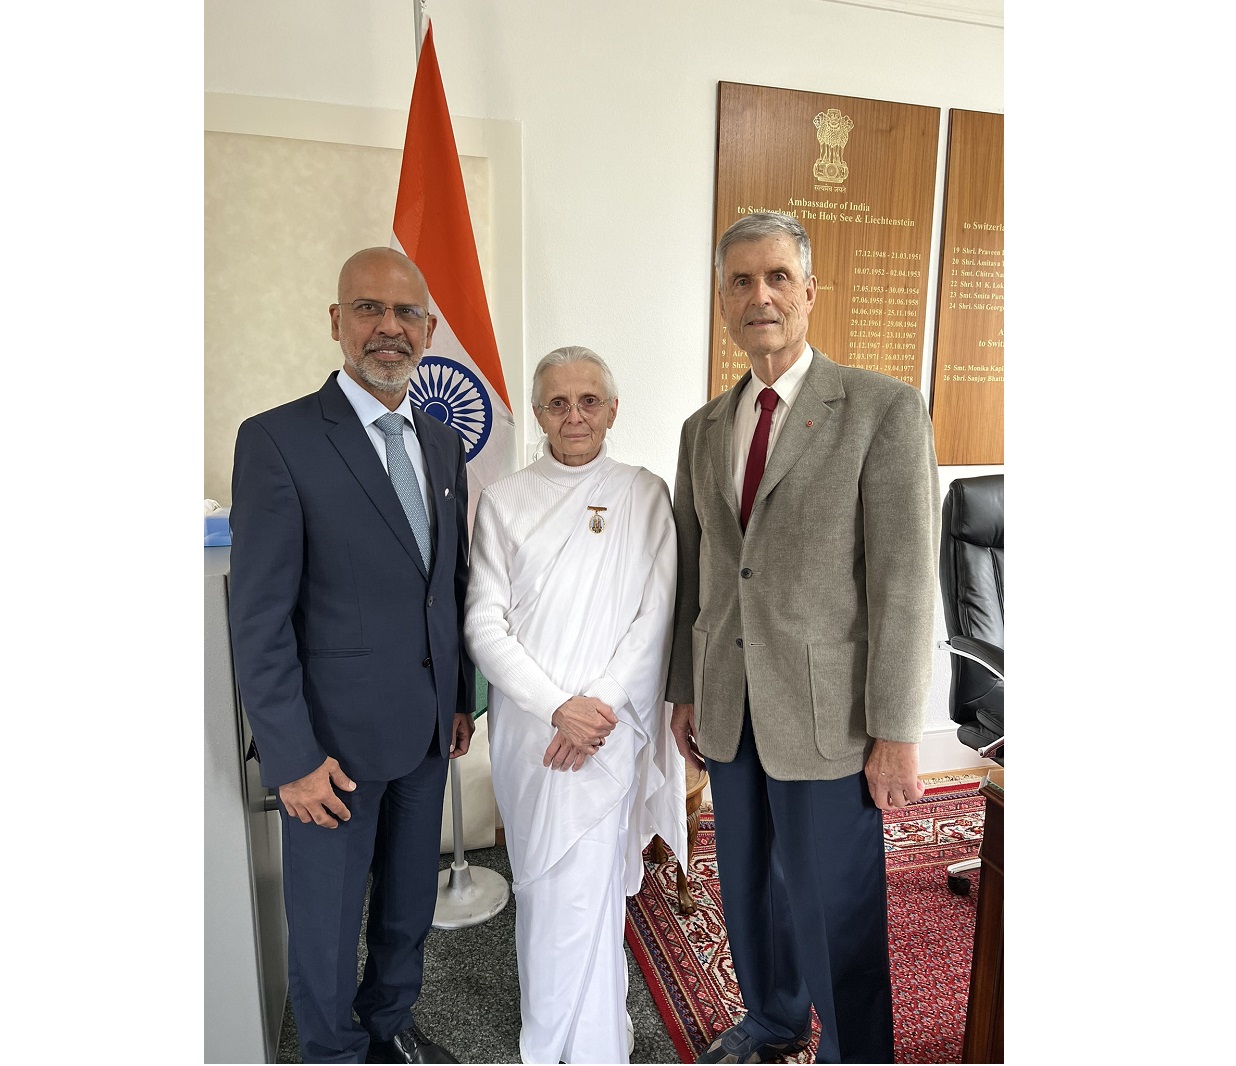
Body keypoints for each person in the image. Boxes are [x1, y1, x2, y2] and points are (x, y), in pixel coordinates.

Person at [667, 213, 940, 1064]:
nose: (761, 297)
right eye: (742, 282)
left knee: (834, 903)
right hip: (729, 704)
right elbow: (697, 570)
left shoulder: (882, 411)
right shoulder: (703, 429)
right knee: (747, 889)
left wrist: (897, 731)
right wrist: (685, 687)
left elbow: (904, 585)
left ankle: (855, 1053)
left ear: (810, 292)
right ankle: (773, 1020)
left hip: (831, 720)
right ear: (723, 302)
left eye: (778, 277)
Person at [228, 247, 475, 1064]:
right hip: (328, 750)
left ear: (429, 330)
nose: (389, 328)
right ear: (337, 323)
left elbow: (450, 582)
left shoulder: (441, 446)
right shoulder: (277, 441)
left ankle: (388, 1024)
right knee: (328, 924)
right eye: (369, 309)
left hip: (426, 733)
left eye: (407, 314)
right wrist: (292, 759)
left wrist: (462, 700)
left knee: (408, 905)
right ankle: (332, 1052)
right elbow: (259, 618)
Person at [464, 346, 686, 1065]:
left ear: (613, 410)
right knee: (544, 882)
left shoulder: (644, 494)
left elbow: (657, 614)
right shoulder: (504, 500)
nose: (575, 415)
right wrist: (559, 706)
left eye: (589, 401)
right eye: (558, 404)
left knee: (592, 891)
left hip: (611, 730)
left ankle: (595, 1045)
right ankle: (547, 1036)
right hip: (536, 734)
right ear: (538, 416)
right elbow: (481, 622)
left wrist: (599, 706)